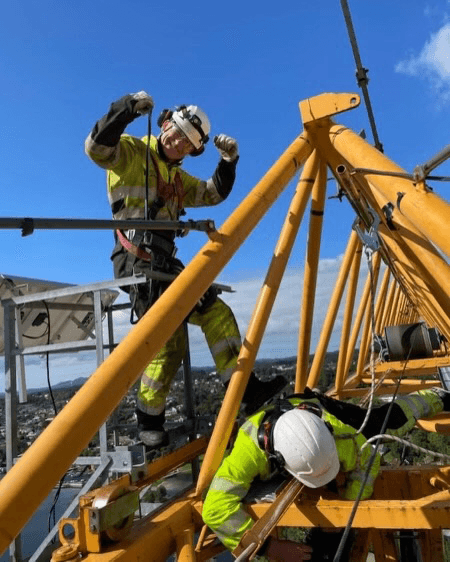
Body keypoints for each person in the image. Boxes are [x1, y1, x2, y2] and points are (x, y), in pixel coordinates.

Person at [85, 91, 287, 449]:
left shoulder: (178, 179)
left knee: (216, 312)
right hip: (135, 259)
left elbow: (212, 194)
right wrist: (127, 107)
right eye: (176, 133)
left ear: (192, 152)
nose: (176, 143)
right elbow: (96, 148)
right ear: (165, 123)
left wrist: (229, 161)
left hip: (165, 263)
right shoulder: (131, 151)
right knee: (169, 342)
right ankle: (148, 420)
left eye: (186, 144)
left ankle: (243, 390)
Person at [202, 385, 449, 560]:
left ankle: (434, 396)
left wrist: (347, 504)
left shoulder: (340, 435)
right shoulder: (249, 452)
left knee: (386, 423)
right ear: (280, 462)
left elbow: (369, 462)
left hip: (316, 410)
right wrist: (270, 547)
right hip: (292, 422)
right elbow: (215, 509)